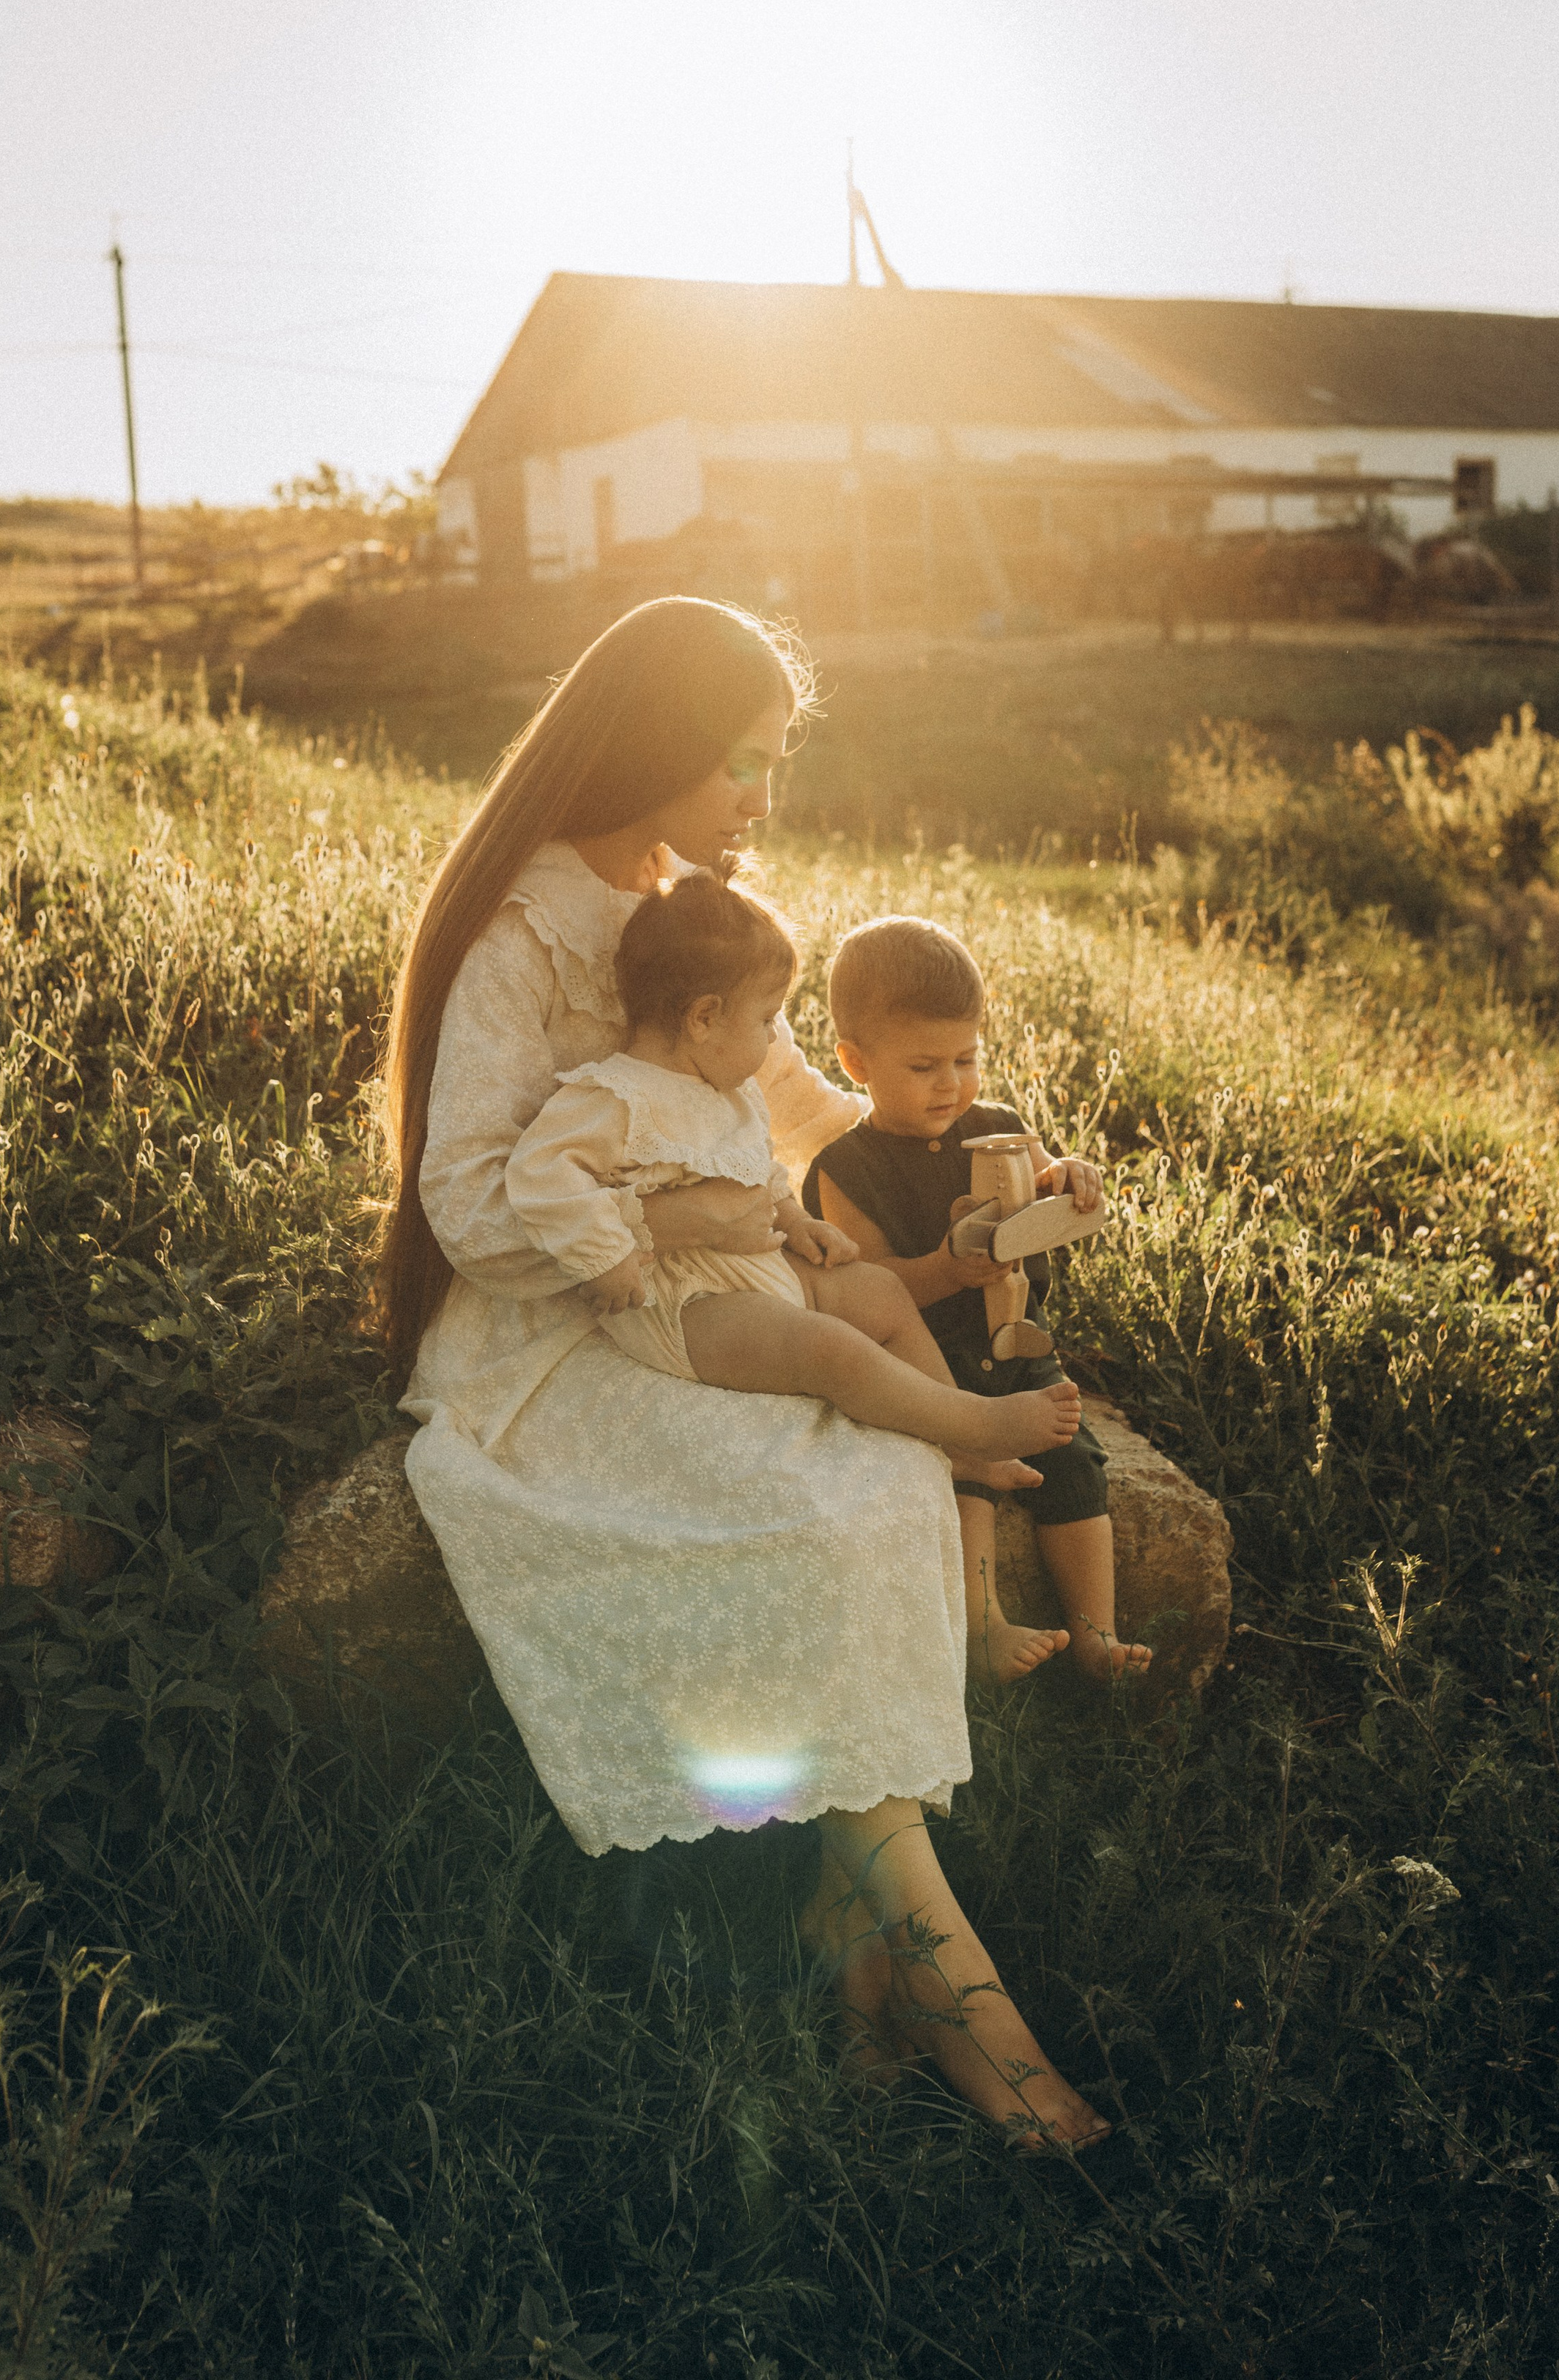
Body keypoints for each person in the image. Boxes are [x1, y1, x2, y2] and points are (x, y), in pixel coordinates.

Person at [384, 596, 1108, 2149]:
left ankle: (860, 1945)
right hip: (565, 1330)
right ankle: (949, 1984)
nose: (759, 803)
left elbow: (796, 1105)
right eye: (739, 763)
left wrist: (992, 1168)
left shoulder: (684, 901)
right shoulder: (522, 926)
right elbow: (467, 1193)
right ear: (650, 741)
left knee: (879, 1474)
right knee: (803, 1509)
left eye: (775, 765)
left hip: (714, 1295)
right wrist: (663, 1223)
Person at [503, 867, 1080, 1475]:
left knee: (878, 1291)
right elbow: (540, 1174)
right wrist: (607, 1252)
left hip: (756, 1271)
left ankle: (956, 1438)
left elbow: (757, 1172)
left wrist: (798, 1221)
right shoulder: (614, 1096)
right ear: (703, 1018)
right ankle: (975, 1426)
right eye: (766, 1019)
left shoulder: (728, 1090)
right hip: (685, 1304)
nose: (773, 1036)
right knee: (826, 1348)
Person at [804, 914, 1155, 1688]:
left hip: (1018, 1345)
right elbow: (869, 1289)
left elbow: (1047, 1195)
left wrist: (1068, 1176)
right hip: (926, 1367)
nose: (950, 1084)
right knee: (964, 1469)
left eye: (966, 1058)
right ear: (855, 1061)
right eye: (924, 1064)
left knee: (1073, 1459)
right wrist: (943, 1267)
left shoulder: (998, 1130)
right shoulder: (845, 1168)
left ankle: (1095, 1634)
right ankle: (983, 1626)